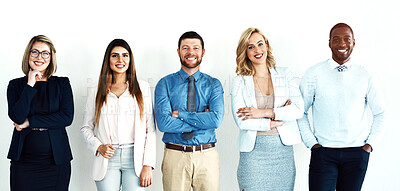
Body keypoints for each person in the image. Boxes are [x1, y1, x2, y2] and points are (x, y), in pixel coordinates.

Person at [297, 23, 387, 191]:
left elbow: (381, 113)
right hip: (323, 153)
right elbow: (299, 111)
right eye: (336, 39)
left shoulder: (366, 74)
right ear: (329, 42)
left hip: (357, 154)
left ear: (354, 42)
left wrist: (369, 145)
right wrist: (312, 144)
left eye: (347, 39)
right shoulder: (313, 73)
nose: (342, 44)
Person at [231, 27, 304, 191]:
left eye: (260, 44)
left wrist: (262, 113)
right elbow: (242, 122)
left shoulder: (285, 74)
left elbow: (298, 109)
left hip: (282, 154)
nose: (257, 50)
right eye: (251, 47)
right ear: (245, 52)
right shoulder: (239, 82)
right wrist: (273, 123)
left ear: (267, 45)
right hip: (252, 156)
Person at [81, 39, 156, 191]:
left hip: (135, 158)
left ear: (130, 59)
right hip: (107, 159)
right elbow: (86, 127)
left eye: (125, 55)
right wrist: (98, 146)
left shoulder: (143, 88)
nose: (120, 60)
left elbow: (150, 130)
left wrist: (148, 165)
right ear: (108, 60)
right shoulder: (97, 90)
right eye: (115, 55)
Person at [154, 31, 224, 191]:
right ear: (178, 52)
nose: (191, 52)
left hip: (207, 155)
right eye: (185, 48)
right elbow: (164, 124)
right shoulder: (164, 83)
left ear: (203, 52)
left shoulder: (214, 84)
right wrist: (202, 120)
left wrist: (181, 115)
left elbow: (216, 120)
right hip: (175, 155)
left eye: (195, 48)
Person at [7, 35, 74, 191]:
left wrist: (30, 122)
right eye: (35, 52)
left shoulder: (62, 84)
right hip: (24, 163)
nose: (39, 57)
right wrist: (30, 84)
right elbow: (17, 116)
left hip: (56, 163)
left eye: (45, 53)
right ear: (28, 55)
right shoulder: (16, 85)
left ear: (51, 58)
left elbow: (66, 117)